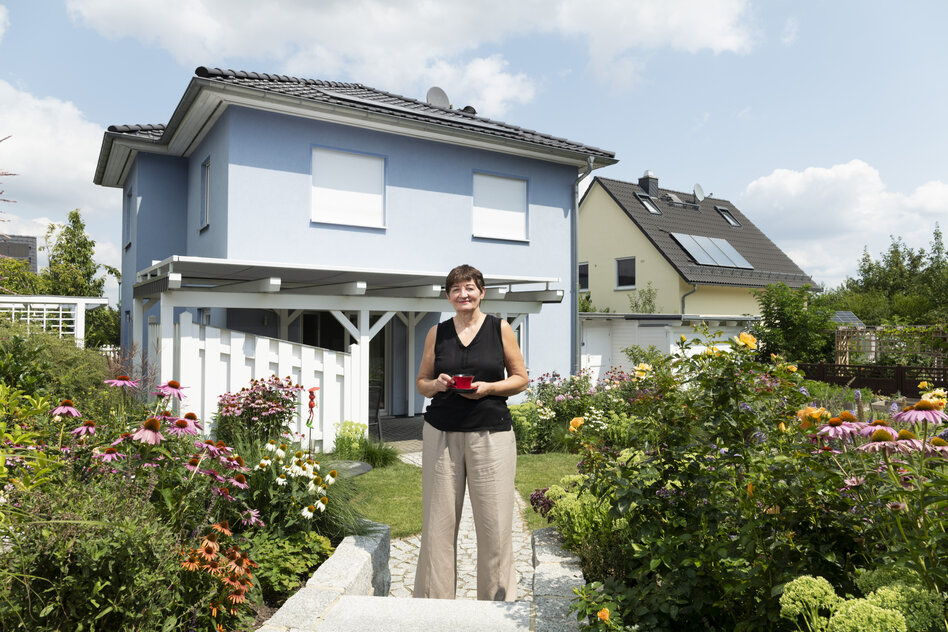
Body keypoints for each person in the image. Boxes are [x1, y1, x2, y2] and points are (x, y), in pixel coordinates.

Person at [413, 264, 528, 601]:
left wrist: (490, 388)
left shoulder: (500, 328)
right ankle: (434, 610)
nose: (463, 294)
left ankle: (496, 608)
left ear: (481, 292)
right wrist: (436, 384)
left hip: (491, 436)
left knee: (494, 528)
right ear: (448, 296)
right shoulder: (437, 333)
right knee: (437, 528)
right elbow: (421, 383)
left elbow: (520, 377)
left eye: (469, 288)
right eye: (455, 289)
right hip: (441, 435)